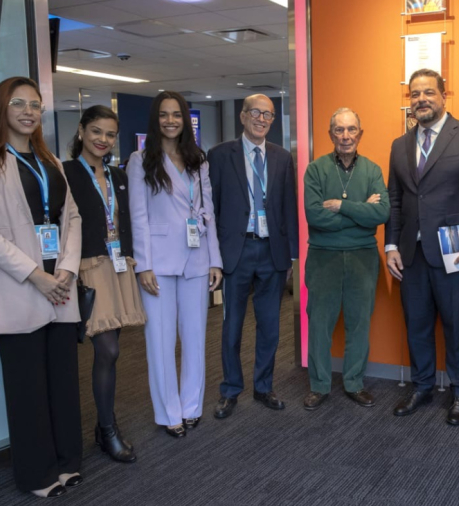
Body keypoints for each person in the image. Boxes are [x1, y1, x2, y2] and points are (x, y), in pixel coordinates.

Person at [0, 76, 83, 498]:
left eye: (35, 105)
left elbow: (72, 218)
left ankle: (67, 461)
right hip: (17, 284)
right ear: (1, 108)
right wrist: (36, 275)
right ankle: (37, 474)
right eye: (19, 103)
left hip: (60, 285)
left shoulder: (51, 161)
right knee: (27, 387)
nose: (29, 112)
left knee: (62, 381)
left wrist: (66, 269)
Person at [385, 68, 459, 425]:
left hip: (456, 254)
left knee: (458, 327)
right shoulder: (400, 145)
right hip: (411, 255)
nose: (421, 99)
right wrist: (391, 245)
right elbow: (395, 199)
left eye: (428, 92)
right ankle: (422, 387)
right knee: (416, 325)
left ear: (443, 96)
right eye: (415, 94)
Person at [128, 91, 222, 438]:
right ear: (156, 120)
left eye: (177, 115)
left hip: (196, 258)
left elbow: (208, 213)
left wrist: (215, 260)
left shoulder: (198, 160)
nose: (171, 121)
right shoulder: (141, 160)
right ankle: (169, 412)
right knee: (160, 340)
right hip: (159, 262)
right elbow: (138, 216)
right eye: (164, 115)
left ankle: (191, 406)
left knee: (195, 337)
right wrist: (143, 265)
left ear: (185, 120)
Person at [208, 94, 298, 418]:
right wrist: (213, 257)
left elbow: (288, 207)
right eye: (256, 113)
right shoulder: (220, 155)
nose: (262, 119)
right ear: (243, 116)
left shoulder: (282, 157)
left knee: (270, 325)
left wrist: (291, 255)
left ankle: (263, 387)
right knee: (232, 325)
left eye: (268, 115)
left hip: (272, 251)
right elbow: (211, 209)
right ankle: (231, 390)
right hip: (237, 250)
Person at [64, 105, 145, 463]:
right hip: (87, 266)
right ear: (81, 131)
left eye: (110, 134)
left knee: (113, 352)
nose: (103, 139)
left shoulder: (118, 175)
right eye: (96, 131)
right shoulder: (66, 172)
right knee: (107, 350)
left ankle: (103, 426)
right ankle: (108, 429)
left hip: (118, 265)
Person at [302, 108, 389, 410]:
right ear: (331, 135)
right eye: (339, 130)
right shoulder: (315, 169)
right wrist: (361, 211)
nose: (346, 136)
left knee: (359, 323)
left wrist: (341, 206)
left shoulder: (372, 170)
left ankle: (354, 383)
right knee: (319, 324)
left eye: (351, 129)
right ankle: (319, 385)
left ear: (360, 134)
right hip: (323, 258)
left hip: (363, 258)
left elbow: (382, 213)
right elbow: (314, 216)